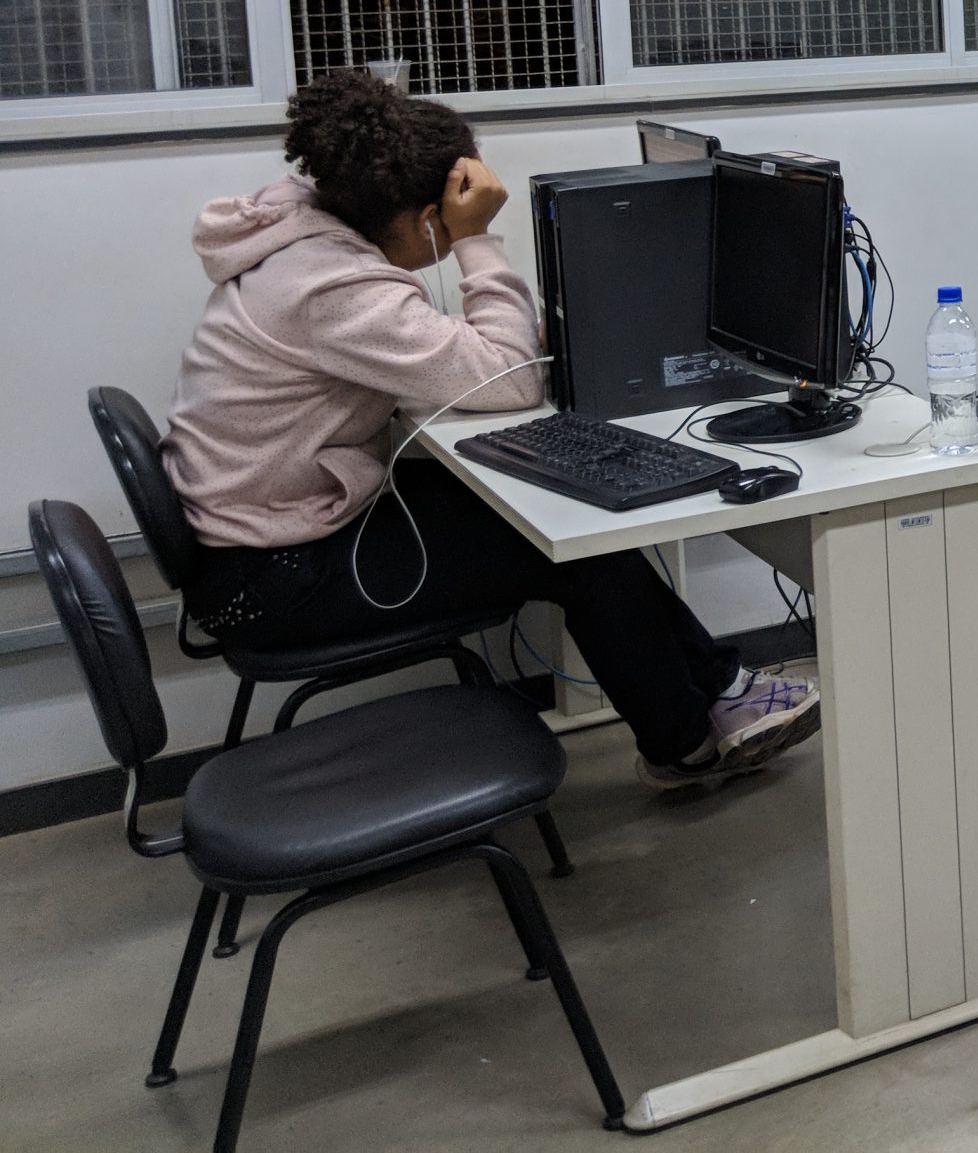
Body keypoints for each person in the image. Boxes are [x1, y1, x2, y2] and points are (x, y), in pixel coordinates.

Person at [163, 67, 818, 790]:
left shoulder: (306, 232)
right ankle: (687, 744)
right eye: (447, 227)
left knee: (560, 509)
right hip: (276, 581)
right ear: (423, 220)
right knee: (573, 551)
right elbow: (508, 383)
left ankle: (719, 692)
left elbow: (463, 363)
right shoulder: (329, 289)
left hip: (277, 531)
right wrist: (479, 242)